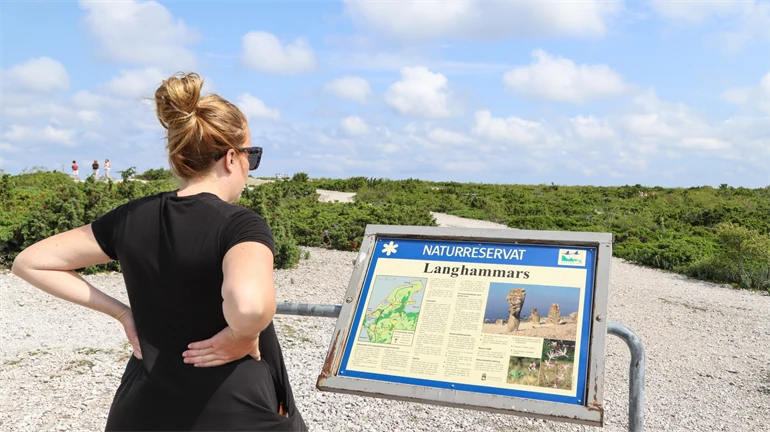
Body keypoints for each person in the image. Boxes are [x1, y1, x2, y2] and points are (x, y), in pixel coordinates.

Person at [12, 72, 307, 432]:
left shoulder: (130, 217)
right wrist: (239, 337)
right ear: (232, 158)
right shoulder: (240, 225)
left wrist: (123, 313)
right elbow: (249, 307)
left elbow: (31, 262)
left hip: (140, 410)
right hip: (234, 409)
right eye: (252, 155)